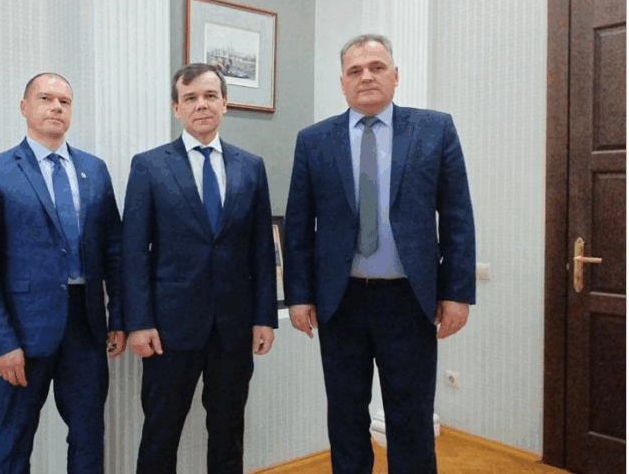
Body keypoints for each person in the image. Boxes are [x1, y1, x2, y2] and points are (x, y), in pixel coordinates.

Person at [284, 34, 476, 474]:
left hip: (408, 300)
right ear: (342, 82)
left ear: (395, 75)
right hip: (340, 302)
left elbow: (458, 216)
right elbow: (298, 228)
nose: (366, 77)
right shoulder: (314, 140)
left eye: (376, 67)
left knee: (411, 419)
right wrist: (299, 296)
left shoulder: (435, 129)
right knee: (345, 416)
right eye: (355, 70)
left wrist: (457, 293)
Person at [0, 73, 126, 474]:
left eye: (64, 102)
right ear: (24, 107)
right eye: (45, 99)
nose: (56, 107)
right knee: (13, 440)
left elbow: (115, 251)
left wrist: (120, 316)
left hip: (86, 327)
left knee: (88, 437)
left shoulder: (95, 170)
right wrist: (1, 343)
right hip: (22, 332)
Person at [122, 63, 278, 474]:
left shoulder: (251, 166)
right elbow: (133, 252)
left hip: (233, 328)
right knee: (160, 433)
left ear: (225, 103)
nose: (201, 105)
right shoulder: (149, 166)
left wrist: (264, 317)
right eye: (190, 98)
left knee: (229, 433)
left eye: (210, 96)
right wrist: (138, 322)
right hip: (168, 328)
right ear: (177, 108)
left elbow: (262, 251)